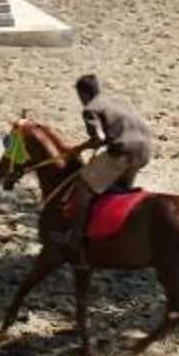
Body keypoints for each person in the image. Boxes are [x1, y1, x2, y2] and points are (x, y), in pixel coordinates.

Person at [54, 73, 154, 262]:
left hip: (122, 151)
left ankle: (75, 236)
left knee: (83, 186)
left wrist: (78, 148)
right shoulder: (117, 102)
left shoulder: (91, 108)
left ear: (82, 94)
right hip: (144, 152)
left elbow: (98, 138)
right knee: (118, 190)